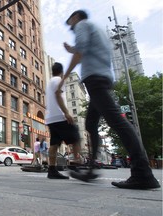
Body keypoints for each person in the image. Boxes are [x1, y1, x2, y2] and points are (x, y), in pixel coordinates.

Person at [59, 10, 160, 189]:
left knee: (117, 122)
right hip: (102, 78)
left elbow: (80, 51)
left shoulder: (82, 24)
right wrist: (72, 49)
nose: (72, 28)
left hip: (95, 79)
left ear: (75, 18)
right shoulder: (97, 29)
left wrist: (64, 77)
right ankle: (92, 168)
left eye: (71, 23)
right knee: (90, 124)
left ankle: (142, 173)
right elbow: (85, 49)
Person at [45, 62, 82, 179]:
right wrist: (66, 112)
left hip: (51, 118)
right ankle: (76, 165)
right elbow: (58, 96)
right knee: (76, 136)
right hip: (60, 116)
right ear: (61, 72)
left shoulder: (49, 82)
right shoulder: (58, 81)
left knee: (54, 143)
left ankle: (52, 170)